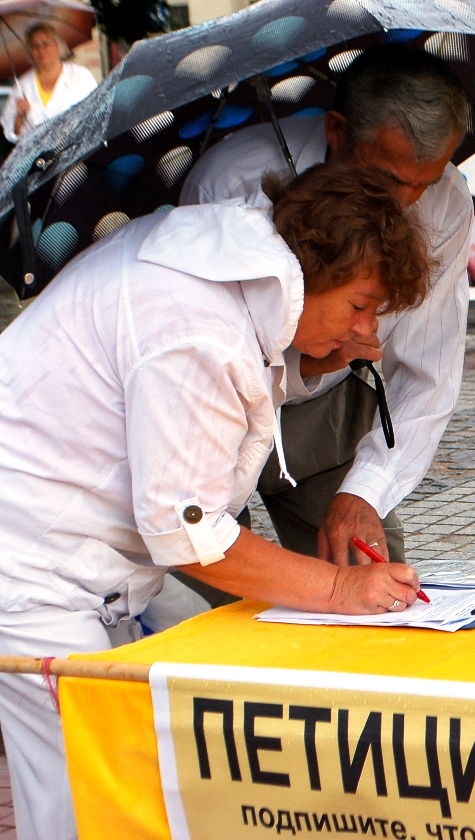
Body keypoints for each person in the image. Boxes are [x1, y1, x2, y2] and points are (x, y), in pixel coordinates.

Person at [0, 161, 428, 840]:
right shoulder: (199, 328)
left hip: (79, 557)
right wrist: (340, 586)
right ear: (314, 269)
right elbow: (188, 532)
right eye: (360, 305)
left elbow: (217, 406)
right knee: (87, 789)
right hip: (33, 564)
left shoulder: (224, 260)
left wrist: (314, 359)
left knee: (129, 762)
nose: (365, 329)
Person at [177, 45, 471, 574]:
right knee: (216, 593)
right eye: (390, 180)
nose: (406, 203)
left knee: (373, 581)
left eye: (424, 182)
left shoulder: (446, 200)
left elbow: (431, 366)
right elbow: (199, 358)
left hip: (328, 414)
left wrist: (366, 490)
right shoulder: (234, 189)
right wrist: (304, 361)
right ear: (338, 130)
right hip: (214, 410)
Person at [0, 22, 97, 142]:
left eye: (45, 43)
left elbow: (96, 114)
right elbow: (11, 135)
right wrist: (19, 116)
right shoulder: (22, 85)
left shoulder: (80, 76)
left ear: (58, 45)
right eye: (35, 46)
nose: (41, 49)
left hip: (76, 149)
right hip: (38, 156)